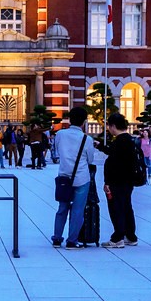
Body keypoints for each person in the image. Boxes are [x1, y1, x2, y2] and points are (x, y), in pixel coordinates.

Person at [51, 106, 98, 249]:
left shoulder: (60, 134)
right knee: (77, 210)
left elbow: (57, 152)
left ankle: (57, 238)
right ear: (84, 122)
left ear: (70, 119)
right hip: (81, 178)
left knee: (62, 208)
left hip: (64, 176)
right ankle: (72, 240)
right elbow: (90, 160)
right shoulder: (86, 139)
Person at [98, 112, 138, 248]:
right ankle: (131, 236)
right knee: (127, 207)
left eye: (108, 126)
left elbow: (114, 164)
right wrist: (101, 147)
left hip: (117, 181)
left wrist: (107, 182)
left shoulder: (119, 142)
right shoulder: (129, 140)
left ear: (113, 126)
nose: (108, 128)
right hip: (128, 181)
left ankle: (118, 238)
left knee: (116, 209)